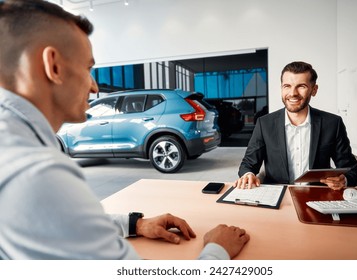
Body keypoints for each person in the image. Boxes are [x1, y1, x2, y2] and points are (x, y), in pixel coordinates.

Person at [0, 0, 249, 259]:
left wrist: (135, 224)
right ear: (53, 65)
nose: (95, 88)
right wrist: (218, 250)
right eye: (87, 68)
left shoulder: (12, 145)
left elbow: (62, 222)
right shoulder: (39, 173)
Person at [235, 61, 357, 190]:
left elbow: (353, 172)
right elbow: (248, 164)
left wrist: (344, 180)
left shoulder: (333, 123)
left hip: (316, 196)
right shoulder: (264, 124)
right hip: (278, 196)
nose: (293, 93)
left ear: (314, 90)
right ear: (281, 88)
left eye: (301, 86)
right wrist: (248, 174)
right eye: (287, 86)